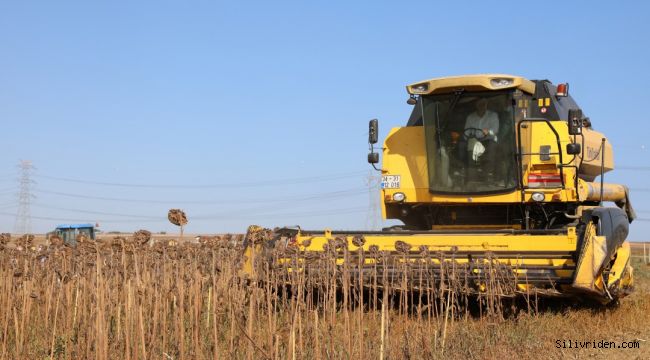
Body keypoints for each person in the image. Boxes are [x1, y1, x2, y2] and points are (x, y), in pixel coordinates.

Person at [457, 98, 499, 176]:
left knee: (491, 146)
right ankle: (465, 169)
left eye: (483, 104)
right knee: (461, 145)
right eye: (480, 104)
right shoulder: (470, 117)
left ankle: (488, 173)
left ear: (486, 104)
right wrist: (467, 137)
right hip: (474, 140)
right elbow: (466, 131)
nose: (481, 106)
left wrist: (488, 131)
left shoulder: (493, 115)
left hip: (488, 140)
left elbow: (495, 130)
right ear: (476, 105)